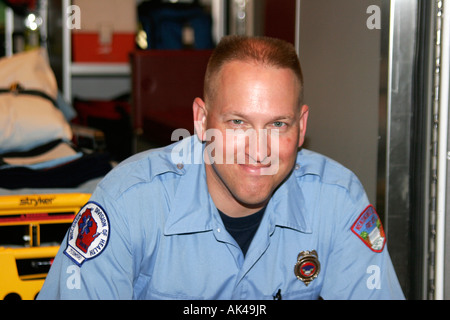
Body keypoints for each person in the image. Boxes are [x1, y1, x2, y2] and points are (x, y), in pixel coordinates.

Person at [38, 35, 404, 300]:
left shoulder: (337, 201)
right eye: (238, 123)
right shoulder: (130, 202)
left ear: (302, 127)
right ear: (201, 120)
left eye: (278, 125)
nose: (259, 150)